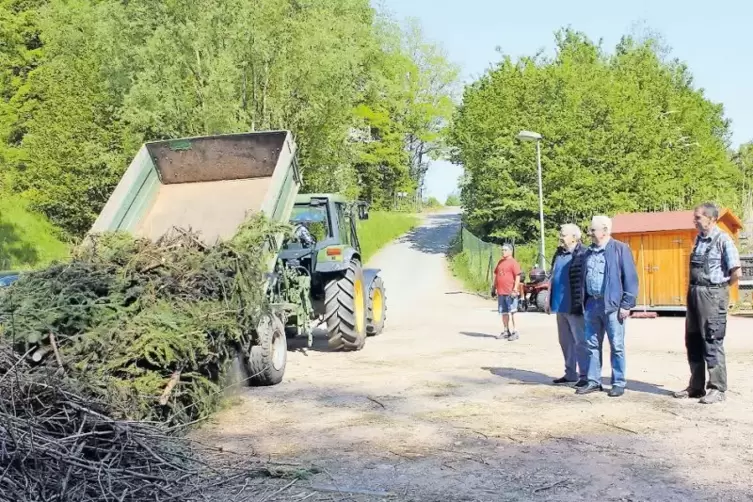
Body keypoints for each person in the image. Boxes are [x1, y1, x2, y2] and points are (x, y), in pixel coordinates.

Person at [673, 202, 741, 404]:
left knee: (712, 340)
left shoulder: (723, 240)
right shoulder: (699, 240)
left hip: (713, 294)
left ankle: (717, 388)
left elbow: (735, 272)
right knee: (692, 340)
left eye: (698, 217)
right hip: (694, 293)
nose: (694, 220)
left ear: (711, 219)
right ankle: (696, 387)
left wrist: (719, 291)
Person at [576, 215, 639, 397]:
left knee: (616, 345)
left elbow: (631, 279)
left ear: (604, 230)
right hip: (591, 304)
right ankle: (594, 381)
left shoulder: (620, 249)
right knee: (592, 344)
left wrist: (627, 304)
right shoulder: (587, 253)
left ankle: (618, 382)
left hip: (612, 306)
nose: (589, 233)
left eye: (593, 229)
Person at [547, 224, 588, 386]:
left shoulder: (582, 253)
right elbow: (553, 276)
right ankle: (570, 373)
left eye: (563, 234)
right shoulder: (558, 253)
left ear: (574, 237)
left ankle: (585, 376)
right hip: (559, 306)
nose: (560, 237)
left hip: (574, 306)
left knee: (580, 342)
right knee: (565, 341)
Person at [491, 244, 522, 341]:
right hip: (501, 292)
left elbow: (517, 276)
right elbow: (496, 276)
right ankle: (506, 331)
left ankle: (515, 331)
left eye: (505, 250)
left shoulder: (513, 262)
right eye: (502, 250)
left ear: (510, 251)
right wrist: (494, 287)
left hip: (510, 292)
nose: (503, 251)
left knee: (512, 312)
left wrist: (515, 289)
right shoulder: (500, 262)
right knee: (504, 312)